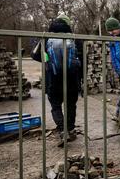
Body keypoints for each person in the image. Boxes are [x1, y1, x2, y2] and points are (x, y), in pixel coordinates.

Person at [31, 16, 82, 147]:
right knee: (71, 105)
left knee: (56, 106)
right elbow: (82, 58)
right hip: (71, 79)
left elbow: (35, 55)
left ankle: (62, 131)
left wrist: (48, 60)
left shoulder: (46, 37)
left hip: (53, 79)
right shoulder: (74, 38)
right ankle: (71, 130)